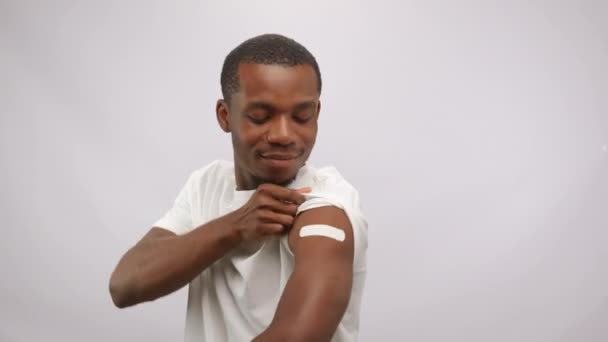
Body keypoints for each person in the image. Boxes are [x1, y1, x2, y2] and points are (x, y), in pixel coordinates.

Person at [109, 33, 368, 342]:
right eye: (261, 117)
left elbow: (297, 337)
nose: (284, 134)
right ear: (225, 115)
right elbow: (125, 285)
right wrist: (234, 227)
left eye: (301, 117)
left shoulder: (325, 206)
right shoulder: (207, 186)